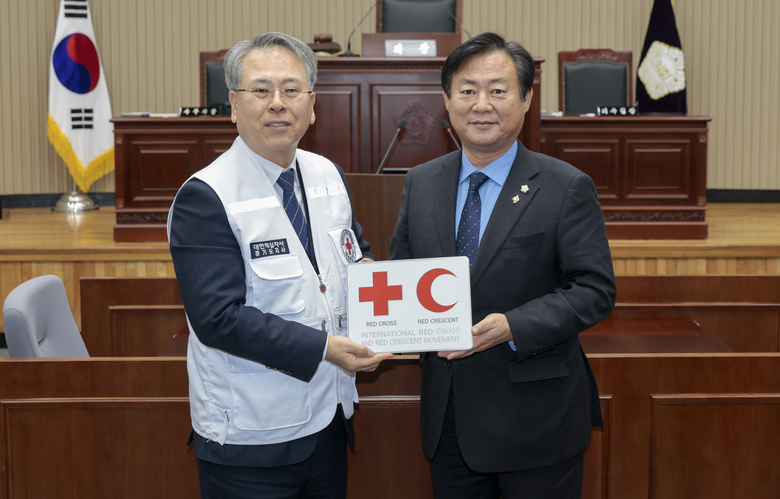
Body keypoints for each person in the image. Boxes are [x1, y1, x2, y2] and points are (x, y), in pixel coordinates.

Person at [389, 32, 617, 498]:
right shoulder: (422, 182)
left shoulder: (565, 186)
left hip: (537, 424)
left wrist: (513, 326)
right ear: (447, 100)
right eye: (467, 90)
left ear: (527, 98)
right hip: (450, 423)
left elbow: (594, 289)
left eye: (498, 90)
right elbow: (402, 275)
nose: (481, 105)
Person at [167, 32, 392, 499]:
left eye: (291, 90)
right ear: (233, 104)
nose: (277, 103)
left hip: (328, 421)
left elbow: (352, 254)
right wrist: (324, 348)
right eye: (261, 90)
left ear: (312, 105)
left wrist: (383, 294)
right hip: (251, 437)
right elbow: (218, 319)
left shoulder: (327, 174)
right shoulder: (206, 196)